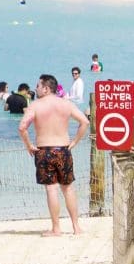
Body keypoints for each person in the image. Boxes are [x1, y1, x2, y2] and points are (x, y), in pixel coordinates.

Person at [18, 74, 88, 236]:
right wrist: (75, 141)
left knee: (51, 189)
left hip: (44, 150)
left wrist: (29, 145)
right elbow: (85, 122)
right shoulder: (66, 104)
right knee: (68, 188)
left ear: (46, 88)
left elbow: (22, 127)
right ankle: (76, 227)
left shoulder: (35, 105)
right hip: (63, 149)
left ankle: (56, 228)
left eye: (38, 86)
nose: (35, 88)